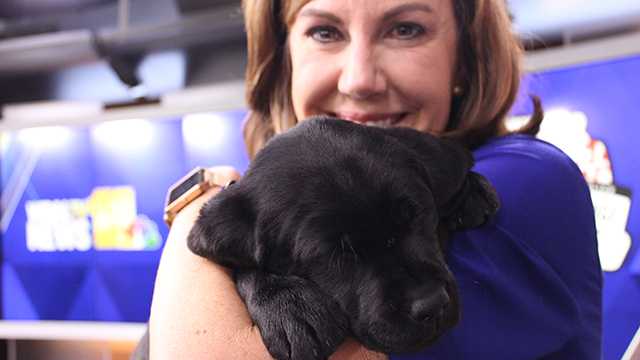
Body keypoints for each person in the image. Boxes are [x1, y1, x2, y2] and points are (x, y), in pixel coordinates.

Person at [148, 0, 602, 359]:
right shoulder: (280, 206)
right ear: (284, 60)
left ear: (465, 57)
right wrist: (255, 280)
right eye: (324, 32)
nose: (359, 79)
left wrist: (196, 208)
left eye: (406, 28)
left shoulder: (529, 179)